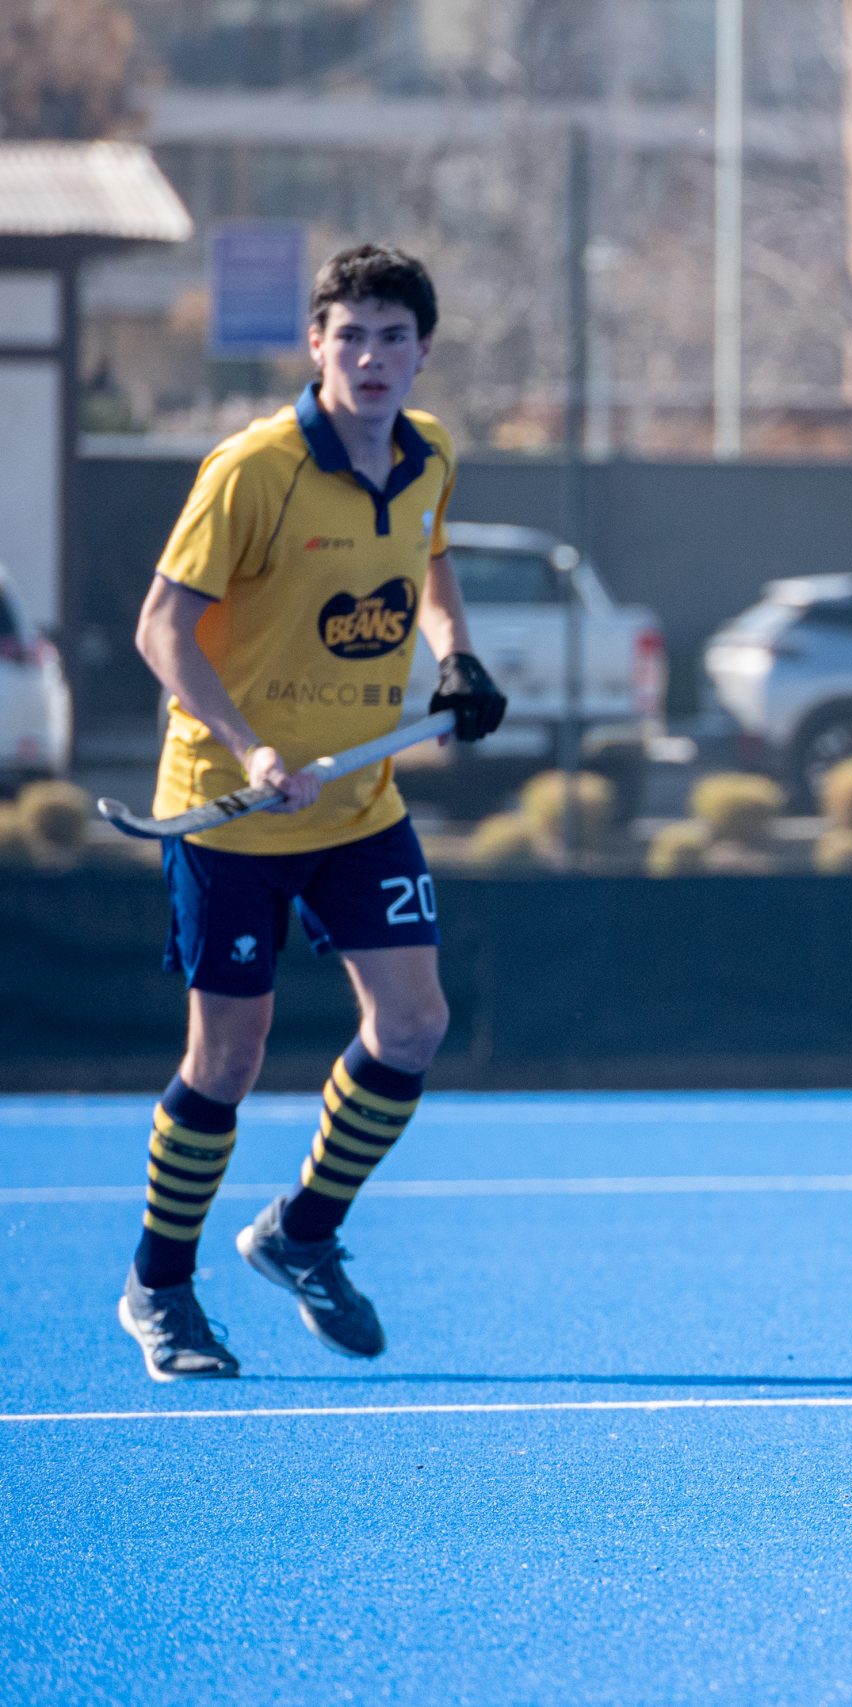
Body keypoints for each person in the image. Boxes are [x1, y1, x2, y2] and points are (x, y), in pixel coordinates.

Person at [116, 244, 508, 1381]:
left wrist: (457, 654)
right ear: (316, 346)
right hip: (229, 807)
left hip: (355, 804)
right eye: (351, 336)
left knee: (414, 1024)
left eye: (393, 338)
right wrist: (252, 745)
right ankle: (159, 1288)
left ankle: (301, 1232)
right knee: (228, 1057)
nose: (371, 358)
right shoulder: (254, 470)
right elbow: (160, 628)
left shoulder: (429, 453)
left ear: (422, 352)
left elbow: (429, 558)